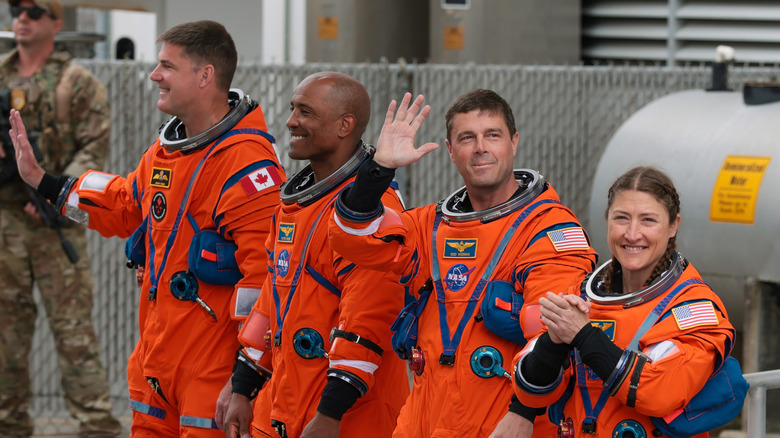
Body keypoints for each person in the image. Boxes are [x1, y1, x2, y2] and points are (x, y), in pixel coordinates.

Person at [7, 20, 285, 437]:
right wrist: (43, 180)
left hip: (212, 378)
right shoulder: (167, 151)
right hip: (157, 367)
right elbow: (124, 203)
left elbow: (267, 284)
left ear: (205, 75)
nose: (155, 75)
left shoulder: (248, 168)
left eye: (167, 67)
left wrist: (244, 380)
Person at [327, 89, 598, 437]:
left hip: (504, 425)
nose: (480, 147)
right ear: (451, 150)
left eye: (493, 135)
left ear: (514, 142)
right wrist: (379, 169)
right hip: (423, 422)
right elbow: (352, 237)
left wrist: (523, 413)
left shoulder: (548, 229)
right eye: (467, 138)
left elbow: (553, 330)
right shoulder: (429, 226)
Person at [218, 71, 409, 438]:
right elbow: (269, 303)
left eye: (305, 112)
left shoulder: (373, 212)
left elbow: (368, 323)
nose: (291, 121)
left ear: (344, 126)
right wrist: (242, 386)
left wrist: (330, 414)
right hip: (283, 407)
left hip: (347, 417)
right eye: (293, 109)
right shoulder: (291, 205)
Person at [512, 166, 736, 437]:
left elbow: (658, 391)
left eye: (648, 220)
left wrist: (583, 336)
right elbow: (529, 389)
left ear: (674, 225)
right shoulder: (580, 296)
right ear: (607, 221)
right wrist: (554, 342)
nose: (632, 234)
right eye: (621, 218)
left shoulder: (693, 309)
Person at [0, 0, 121, 436]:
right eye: (16, 9)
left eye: (34, 11)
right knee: (4, 337)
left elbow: (93, 149)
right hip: (4, 224)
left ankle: (97, 426)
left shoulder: (78, 82)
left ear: (55, 22)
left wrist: (53, 193)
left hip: (54, 225)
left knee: (74, 335)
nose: (22, 18)